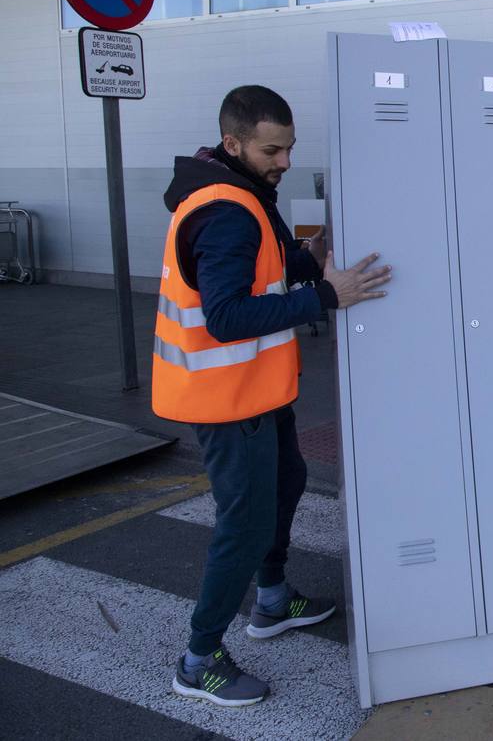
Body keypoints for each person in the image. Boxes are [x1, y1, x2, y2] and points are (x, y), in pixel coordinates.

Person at [152, 85, 391, 706]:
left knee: (288, 483)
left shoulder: (244, 195)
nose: (284, 161)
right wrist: (328, 297)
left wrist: (310, 259)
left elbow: (275, 263)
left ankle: (273, 602)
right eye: (272, 149)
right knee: (246, 524)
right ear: (233, 144)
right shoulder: (226, 211)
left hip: (258, 393)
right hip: (229, 401)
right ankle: (198, 659)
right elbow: (226, 316)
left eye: (288, 148)